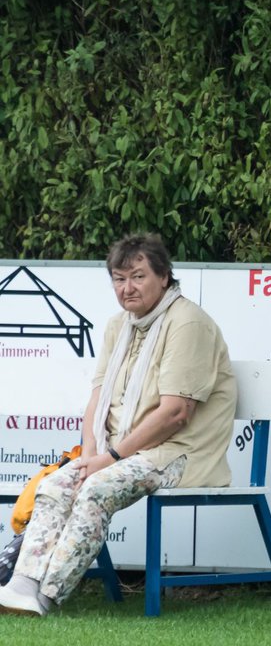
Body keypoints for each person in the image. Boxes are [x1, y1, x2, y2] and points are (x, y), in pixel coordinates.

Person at [0, 234, 236, 616]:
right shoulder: (118, 326)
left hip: (180, 454)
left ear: (164, 276)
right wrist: (89, 456)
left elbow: (176, 413)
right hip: (119, 452)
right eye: (119, 278)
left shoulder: (188, 323)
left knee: (96, 487)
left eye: (138, 276)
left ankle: (44, 596)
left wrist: (106, 460)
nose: (128, 288)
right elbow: (97, 400)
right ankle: (21, 586)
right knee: (59, 482)